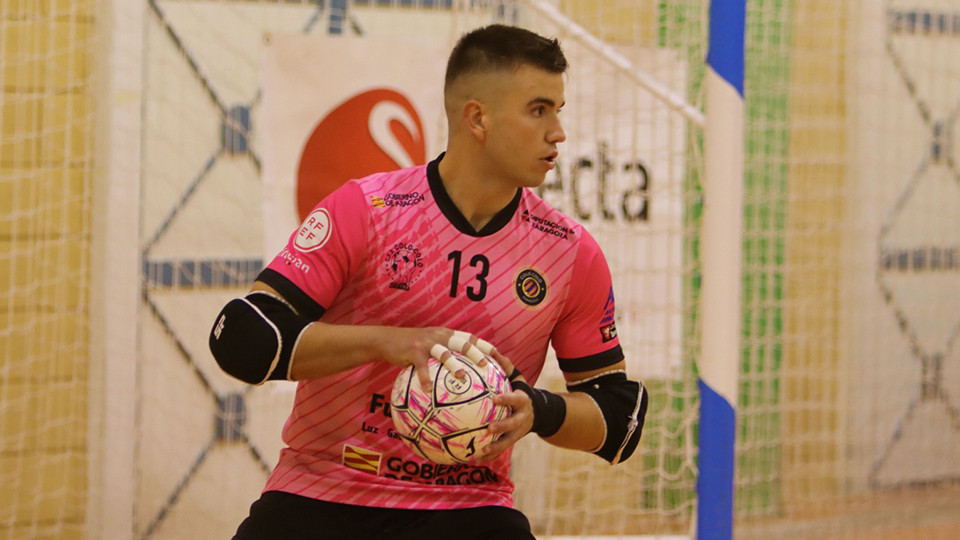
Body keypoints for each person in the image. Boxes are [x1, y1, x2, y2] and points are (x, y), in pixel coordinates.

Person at [209, 23, 648, 540]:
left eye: (558, 109)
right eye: (538, 109)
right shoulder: (368, 210)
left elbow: (618, 421)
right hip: (322, 491)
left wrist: (539, 409)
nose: (558, 132)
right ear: (477, 118)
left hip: (468, 506)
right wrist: (387, 341)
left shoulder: (569, 252)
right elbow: (242, 336)